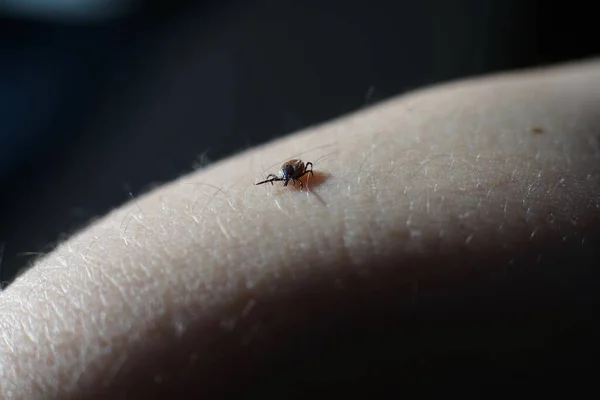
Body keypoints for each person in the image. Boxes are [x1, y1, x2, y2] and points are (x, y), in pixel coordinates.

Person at [1, 58, 599, 398]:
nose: (295, 178)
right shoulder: (295, 174)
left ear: (299, 175)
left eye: (294, 177)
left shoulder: (304, 174)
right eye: (294, 178)